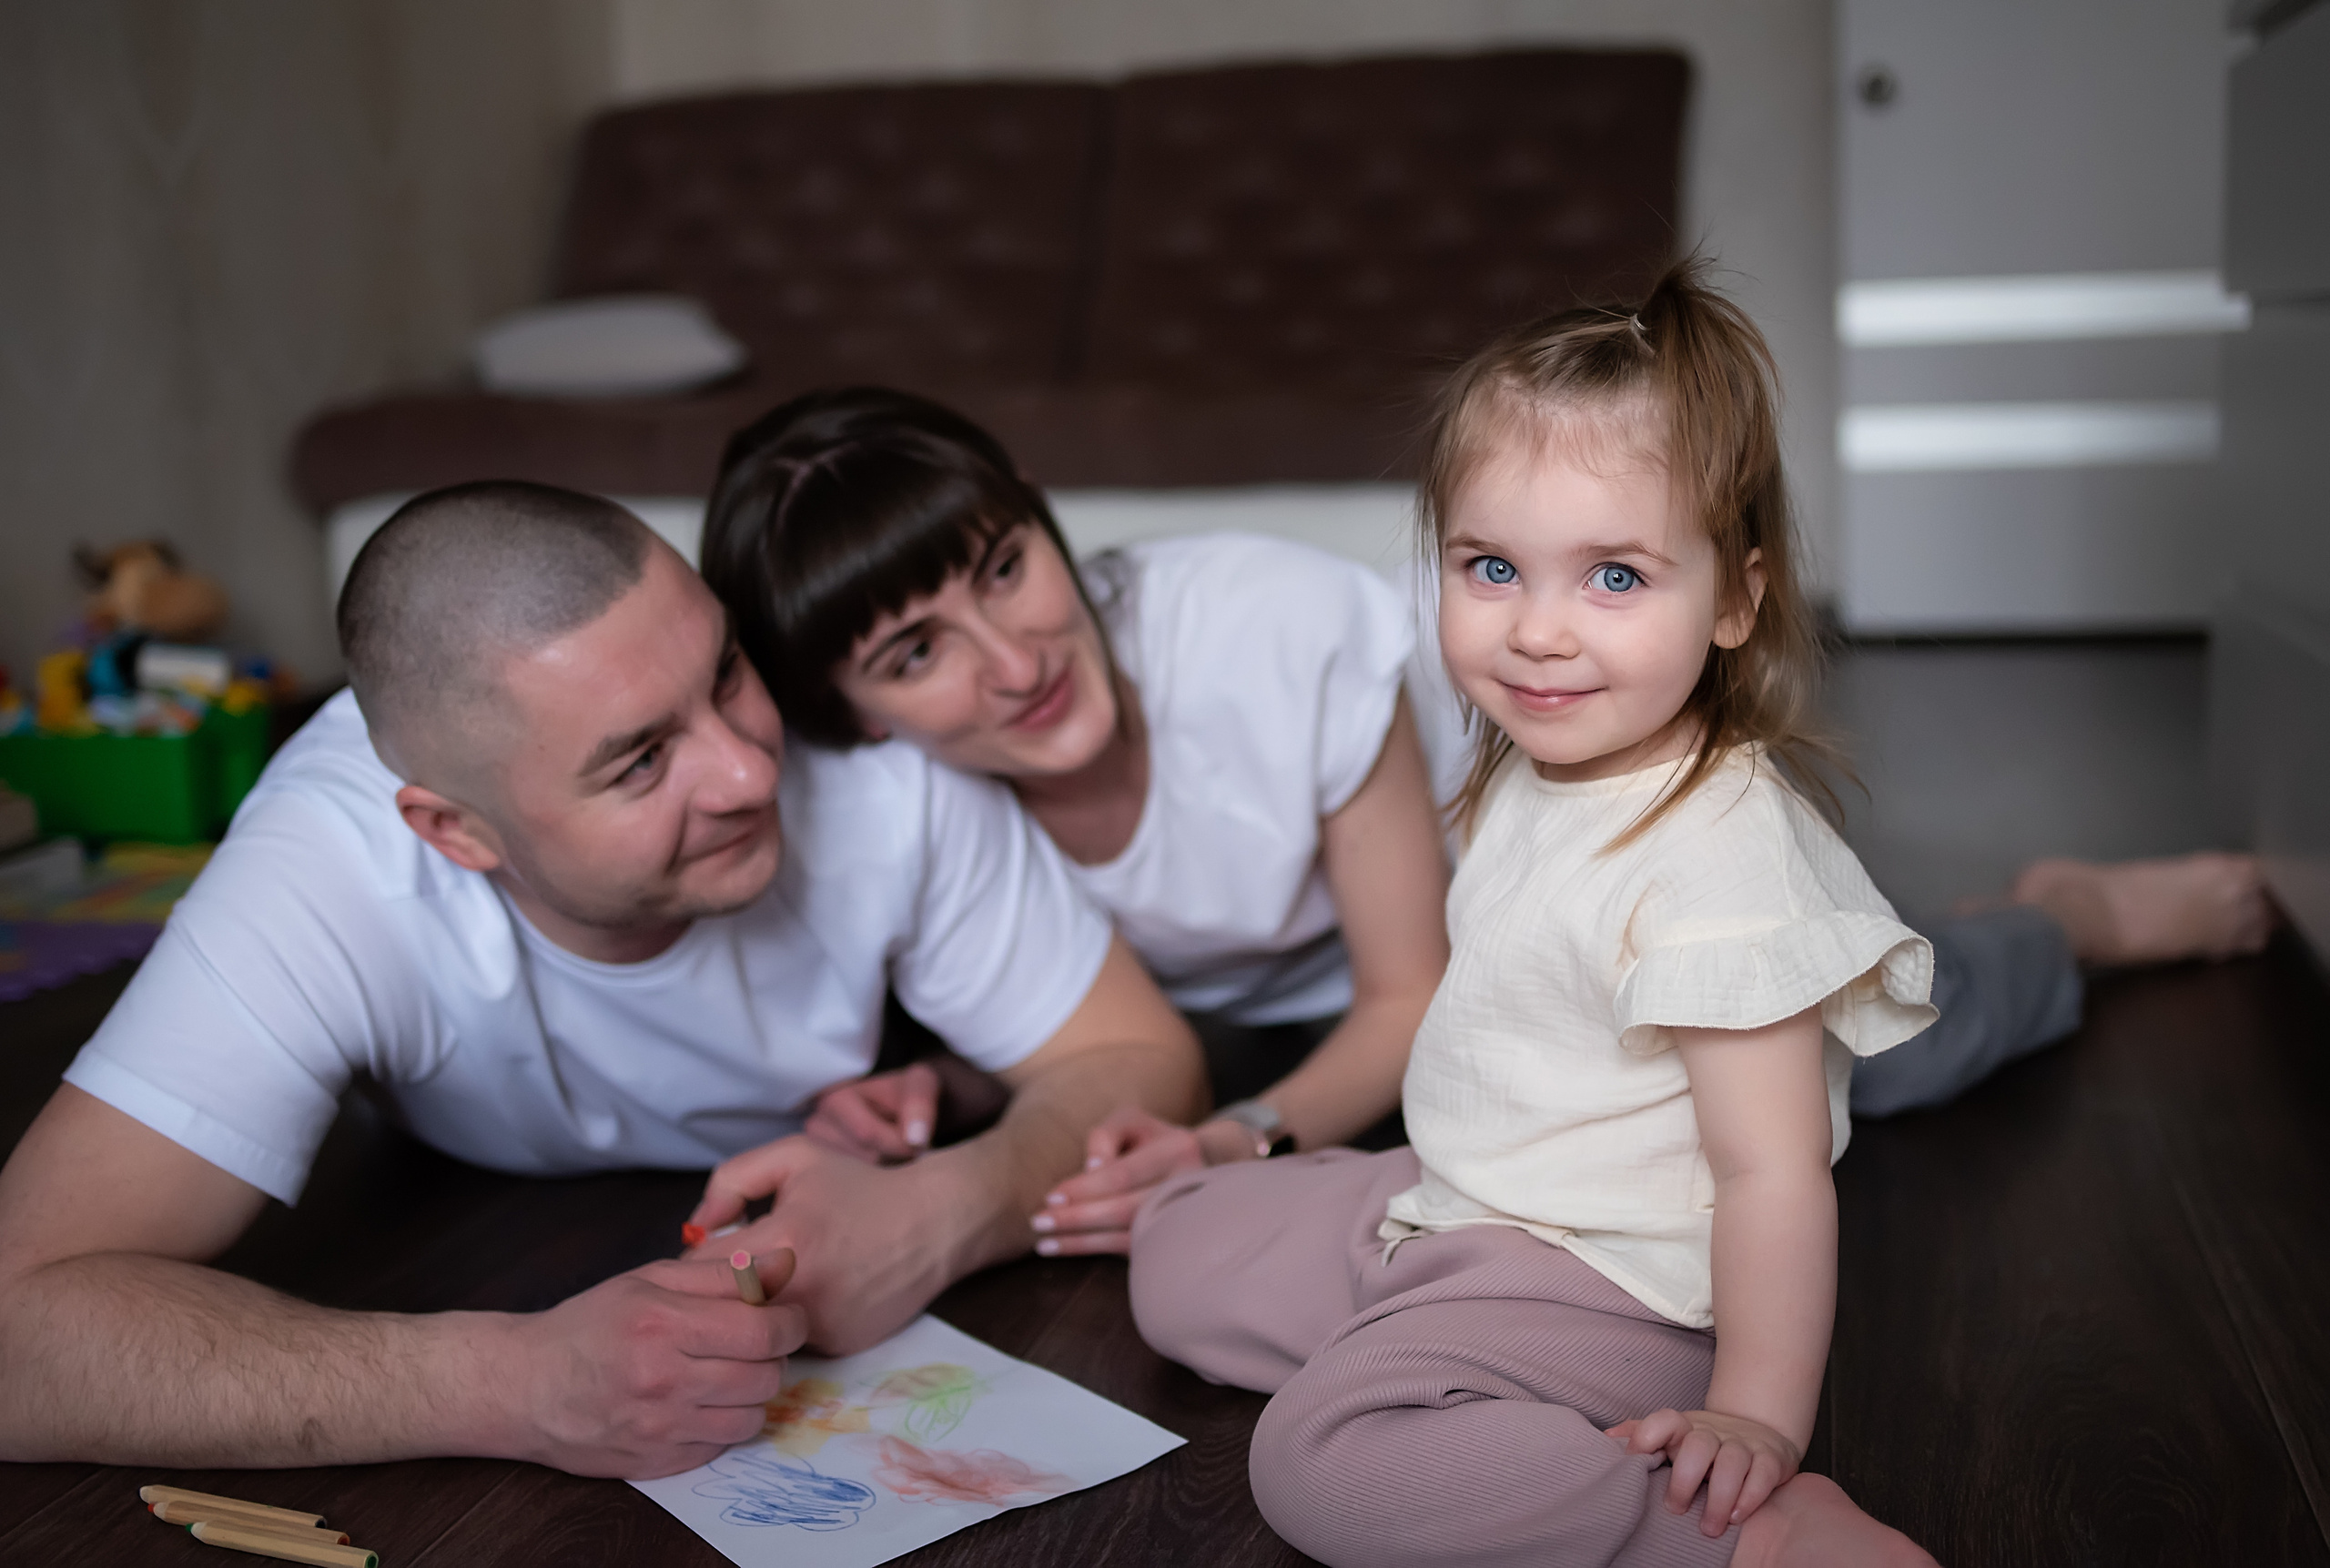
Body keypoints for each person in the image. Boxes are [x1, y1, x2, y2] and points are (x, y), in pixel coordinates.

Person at [697, 389, 2273, 1255]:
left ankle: (2071, 919)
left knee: (1865, 1058)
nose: (1013, 660)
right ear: (855, 724)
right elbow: (1075, 1008)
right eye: (917, 654)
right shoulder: (911, 803)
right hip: (1306, 1026)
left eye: (1003, 570)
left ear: (1047, 520)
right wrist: (946, 1076)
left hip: (1523, 934)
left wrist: (1243, 1136)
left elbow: (1410, 990)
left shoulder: (1256, 638)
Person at [0, 482, 1203, 1476]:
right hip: (477, 1227)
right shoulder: (324, 871)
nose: (745, 770)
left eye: (726, 673)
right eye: (641, 760)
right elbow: (19, 1331)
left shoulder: (875, 770)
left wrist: (944, 1214)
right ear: (454, 831)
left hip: (880, 1122)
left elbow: (1141, 1054)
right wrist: (508, 1383)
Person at [1129, 264, 1937, 1564]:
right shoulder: (1535, 762)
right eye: (1492, 566)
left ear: (1735, 597)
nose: (1539, 633)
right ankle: (1445, 1365)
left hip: (1615, 1284)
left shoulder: (1719, 854)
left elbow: (1770, 1173)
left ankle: (1739, 1539)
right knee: (1175, 1254)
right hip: (1469, 1202)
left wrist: (1754, 1417)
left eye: (1614, 578)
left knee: (1318, 1463)